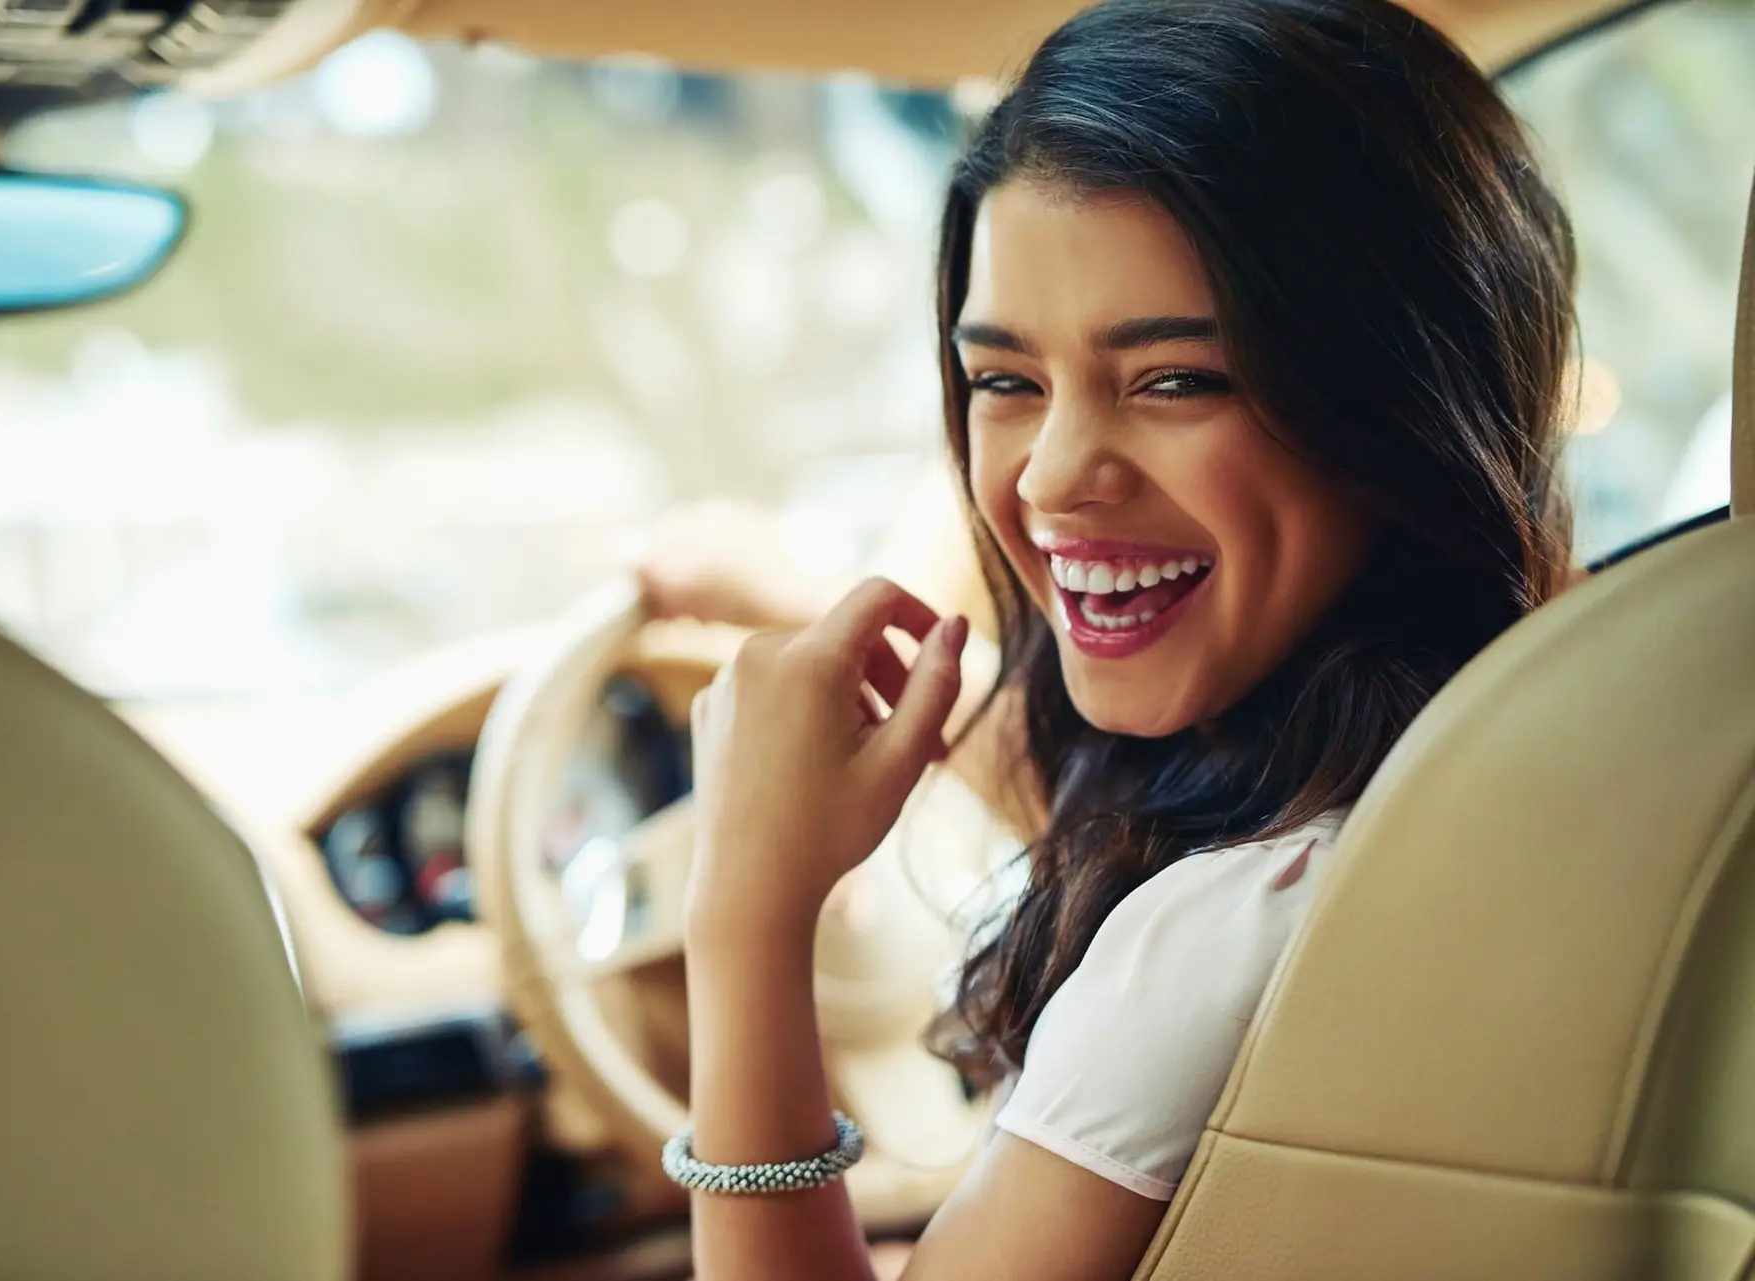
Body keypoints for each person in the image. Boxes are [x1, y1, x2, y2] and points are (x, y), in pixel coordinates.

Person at [659, 0, 1579, 1276]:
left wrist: (747, 916)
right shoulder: (1539, 763)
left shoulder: (1227, 929)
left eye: (1177, 380)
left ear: (1398, 402)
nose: (1051, 479)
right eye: (1007, 383)